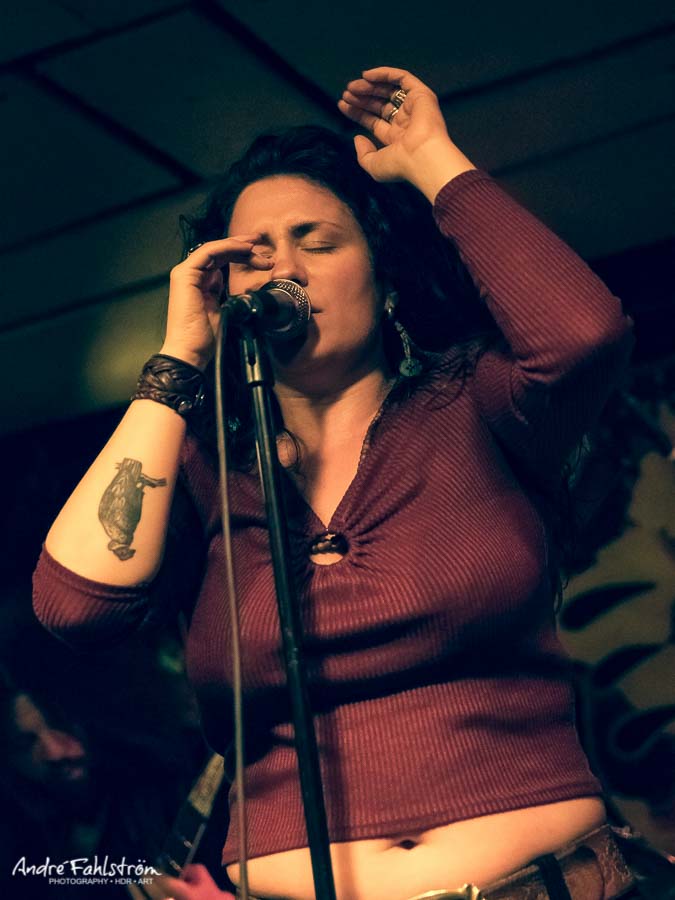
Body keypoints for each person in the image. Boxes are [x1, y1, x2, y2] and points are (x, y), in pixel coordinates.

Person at [33, 66, 642, 899]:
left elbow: (582, 334)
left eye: (317, 243)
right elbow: (74, 606)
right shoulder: (205, 470)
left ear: (383, 275)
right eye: (252, 256)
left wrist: (429, 159)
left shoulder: (472, 403)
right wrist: (176, 363)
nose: (281, 270)